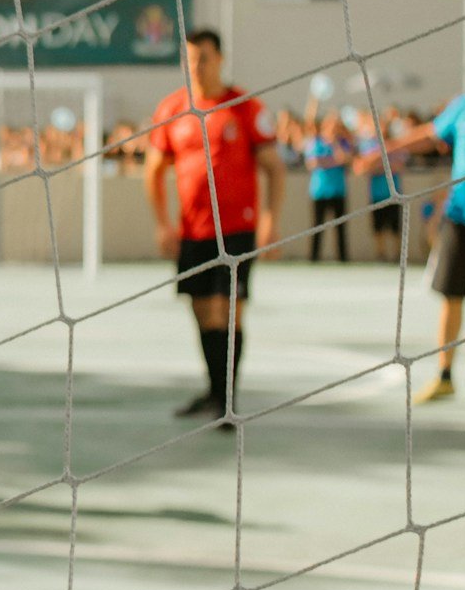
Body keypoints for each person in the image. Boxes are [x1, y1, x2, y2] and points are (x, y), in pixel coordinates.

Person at [144, 30, 284, 423]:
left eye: (203, 58)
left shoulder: (245, 107)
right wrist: (162, 224)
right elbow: (153, 171)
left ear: (220, 59)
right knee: (204, 312)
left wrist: (270, 221)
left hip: (237, 231)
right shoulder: (172, 109)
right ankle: (214, 391)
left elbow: (274, 168)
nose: (196, 66)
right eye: (189, 59)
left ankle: (227, 401)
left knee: (230, 313)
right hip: (193, 231)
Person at [389, 52, 465, 405]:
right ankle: (445, 374)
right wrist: (387, 149)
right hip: (460, 218)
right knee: (451, 296)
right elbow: (430, 134)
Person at [352, 113, 404, 264]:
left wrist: (378, 166)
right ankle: (380, 254)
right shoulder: (369, 146)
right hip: (377, 193)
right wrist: (380, 166)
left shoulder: (395, 144)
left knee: (395, 227)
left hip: (394, 192)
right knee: (378, 227)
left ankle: (397, 255)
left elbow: (399, 166)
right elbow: (363, 167)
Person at [303, 114, 351, 262]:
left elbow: (345, 159)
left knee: (341, 228)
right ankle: (314, 258)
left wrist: (334, 145)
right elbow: (312, 163)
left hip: (338, 191)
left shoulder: (342, 143)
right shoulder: (315, 143)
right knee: (317, 226)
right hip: (320, 191)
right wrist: (333, 161)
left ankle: (343, 259)